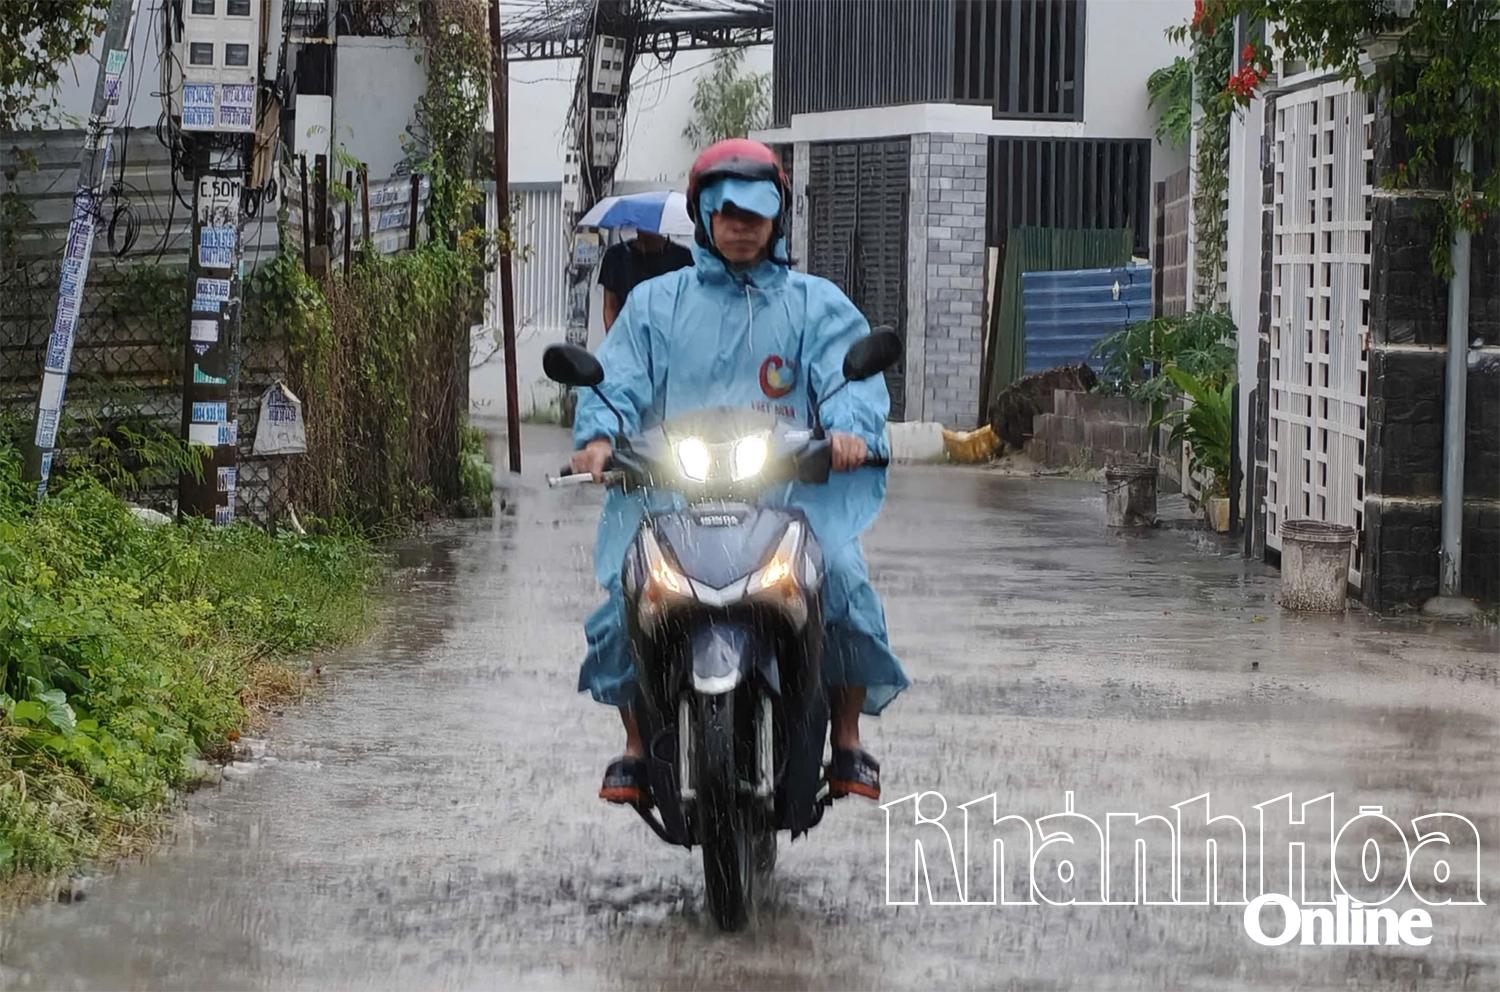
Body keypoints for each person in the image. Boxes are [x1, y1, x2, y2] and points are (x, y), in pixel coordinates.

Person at [569, 138, 908, 807]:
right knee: (622, 597)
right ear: (703, 216)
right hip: (671, 494)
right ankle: (638, 746)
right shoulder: (657, 305)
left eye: (754, 214)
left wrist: (849, 432)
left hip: (789, 493)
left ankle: (845, 739)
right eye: (726, 213)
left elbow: (848, 380)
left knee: (842, 582)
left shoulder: (815, 304)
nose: (740, 227)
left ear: (778, 217)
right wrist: (600, 438)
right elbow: (619, 379)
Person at [598, 228, 694, 331]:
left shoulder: (683, 258)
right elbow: (610, 306)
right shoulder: (616, 256)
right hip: (628, 336)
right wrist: (614, 341)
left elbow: (689, 305)